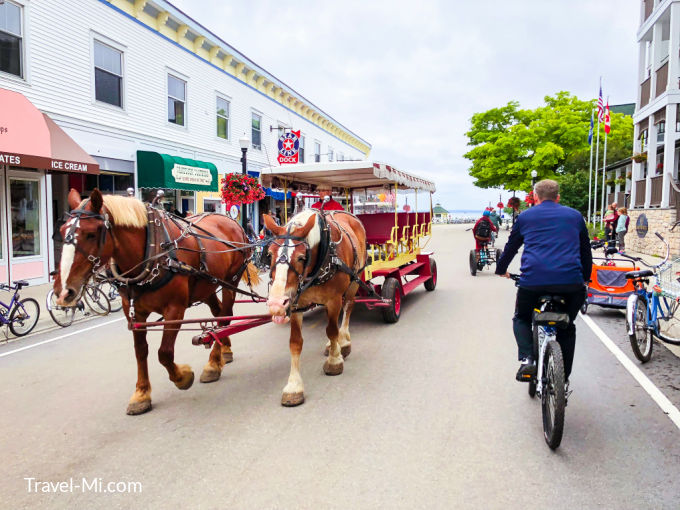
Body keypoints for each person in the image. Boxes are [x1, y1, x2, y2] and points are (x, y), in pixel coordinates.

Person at [495, 179, 591, 384]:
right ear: (558, 197)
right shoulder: (575, 216)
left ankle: (527, 358)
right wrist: (585, 279)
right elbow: (585, 252)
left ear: (535, 197)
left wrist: (501, 269)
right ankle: (563, 379)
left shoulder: (525, 217)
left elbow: (511, 247)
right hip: (570, 283)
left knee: (521, 318)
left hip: (533, 282)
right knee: (567, 325)